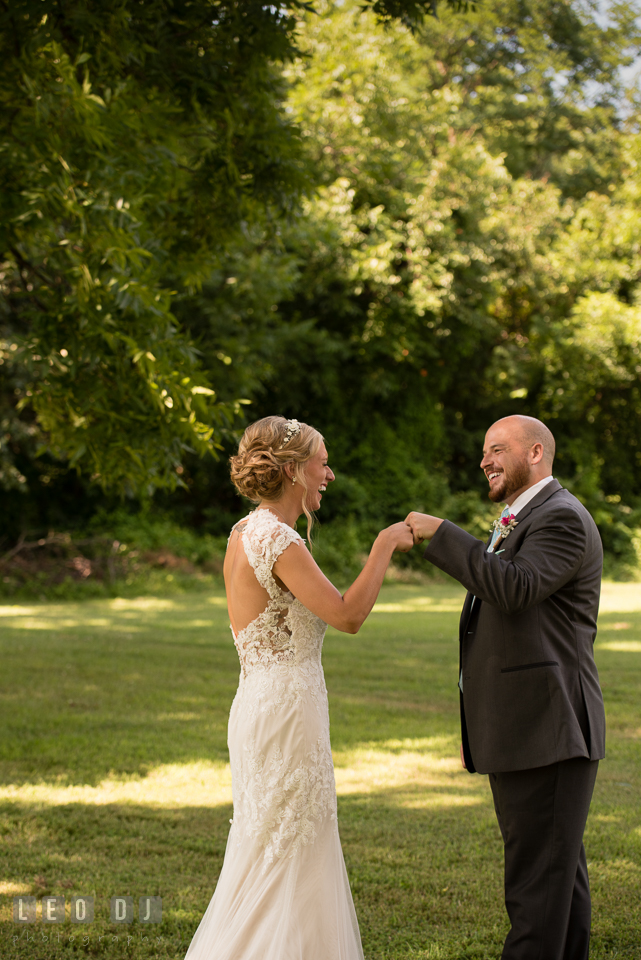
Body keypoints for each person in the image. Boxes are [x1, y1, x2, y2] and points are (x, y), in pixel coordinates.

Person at [184, 415, 413, 960]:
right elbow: (348, 614)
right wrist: (384, 544)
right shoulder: (277, 538)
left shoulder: (244, 532)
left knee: (271, 847)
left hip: (263, 704)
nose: (328, 474)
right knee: (288, 850)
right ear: (292, 470)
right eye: (322, 462)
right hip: (286, 712)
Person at [405, 414, 605, 960]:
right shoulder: (528, 516)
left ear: (535, 453)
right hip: (533, 729)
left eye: (497, 449)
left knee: (536, 892)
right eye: (484, 451)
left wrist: (441, 533)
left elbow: (515, 588)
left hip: (550, 727)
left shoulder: (560, 517)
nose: (484, 460)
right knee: (556, 885)